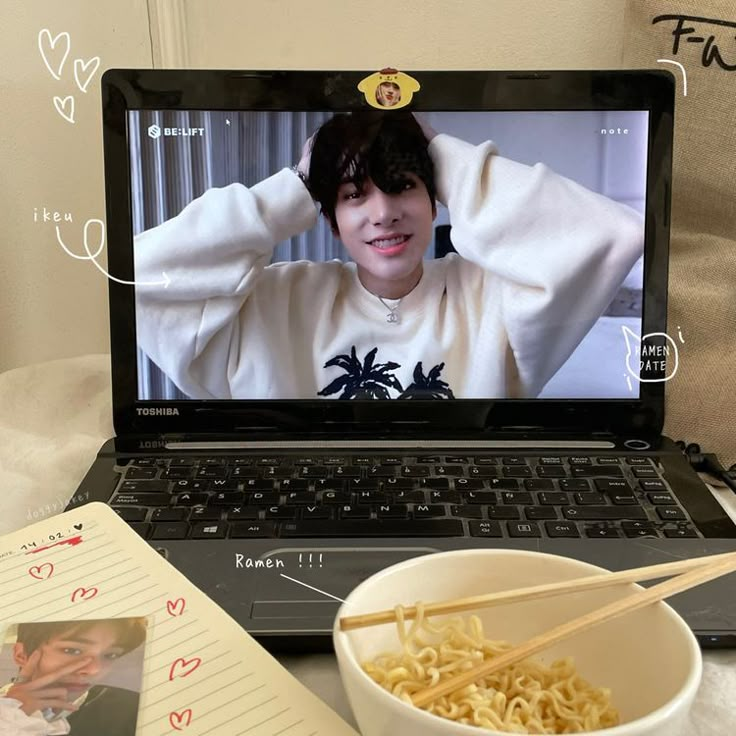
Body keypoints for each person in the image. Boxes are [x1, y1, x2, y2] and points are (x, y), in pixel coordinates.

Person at [134, 111, 643, 401]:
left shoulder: (492, 295)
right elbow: (135, 276)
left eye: (402, 187)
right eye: (355, 195)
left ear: (435, 197)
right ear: (330, 220)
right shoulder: (277, 298)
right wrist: (294, 187)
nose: (383, 213)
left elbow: (612, 232)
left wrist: (439, 149)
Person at [0, 618, 146, 735]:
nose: (94, 670)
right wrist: (11, 722)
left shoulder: (133, 709)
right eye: (72, 650)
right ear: (21, 654)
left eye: (110, 655)